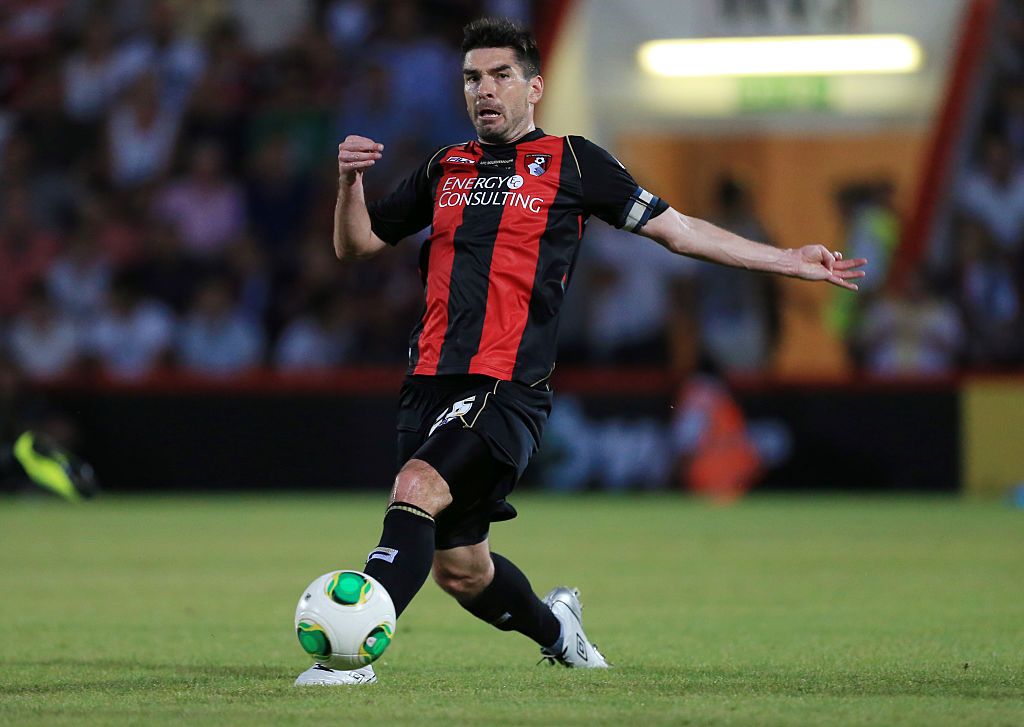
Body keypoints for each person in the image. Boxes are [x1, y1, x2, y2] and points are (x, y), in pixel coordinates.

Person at [297, 18, 866, 687]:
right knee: (462, 567)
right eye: (473, 78)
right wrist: (348, 184)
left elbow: (679, 232)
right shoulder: (442, 167)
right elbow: (357, 244)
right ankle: (557, 629)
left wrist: (786, 260)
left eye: (501, 75)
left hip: (507, 386)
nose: (485, 90)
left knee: (415, 488)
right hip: (426, 385)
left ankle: (351, 655)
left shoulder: (572, 162)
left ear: (534, 86)